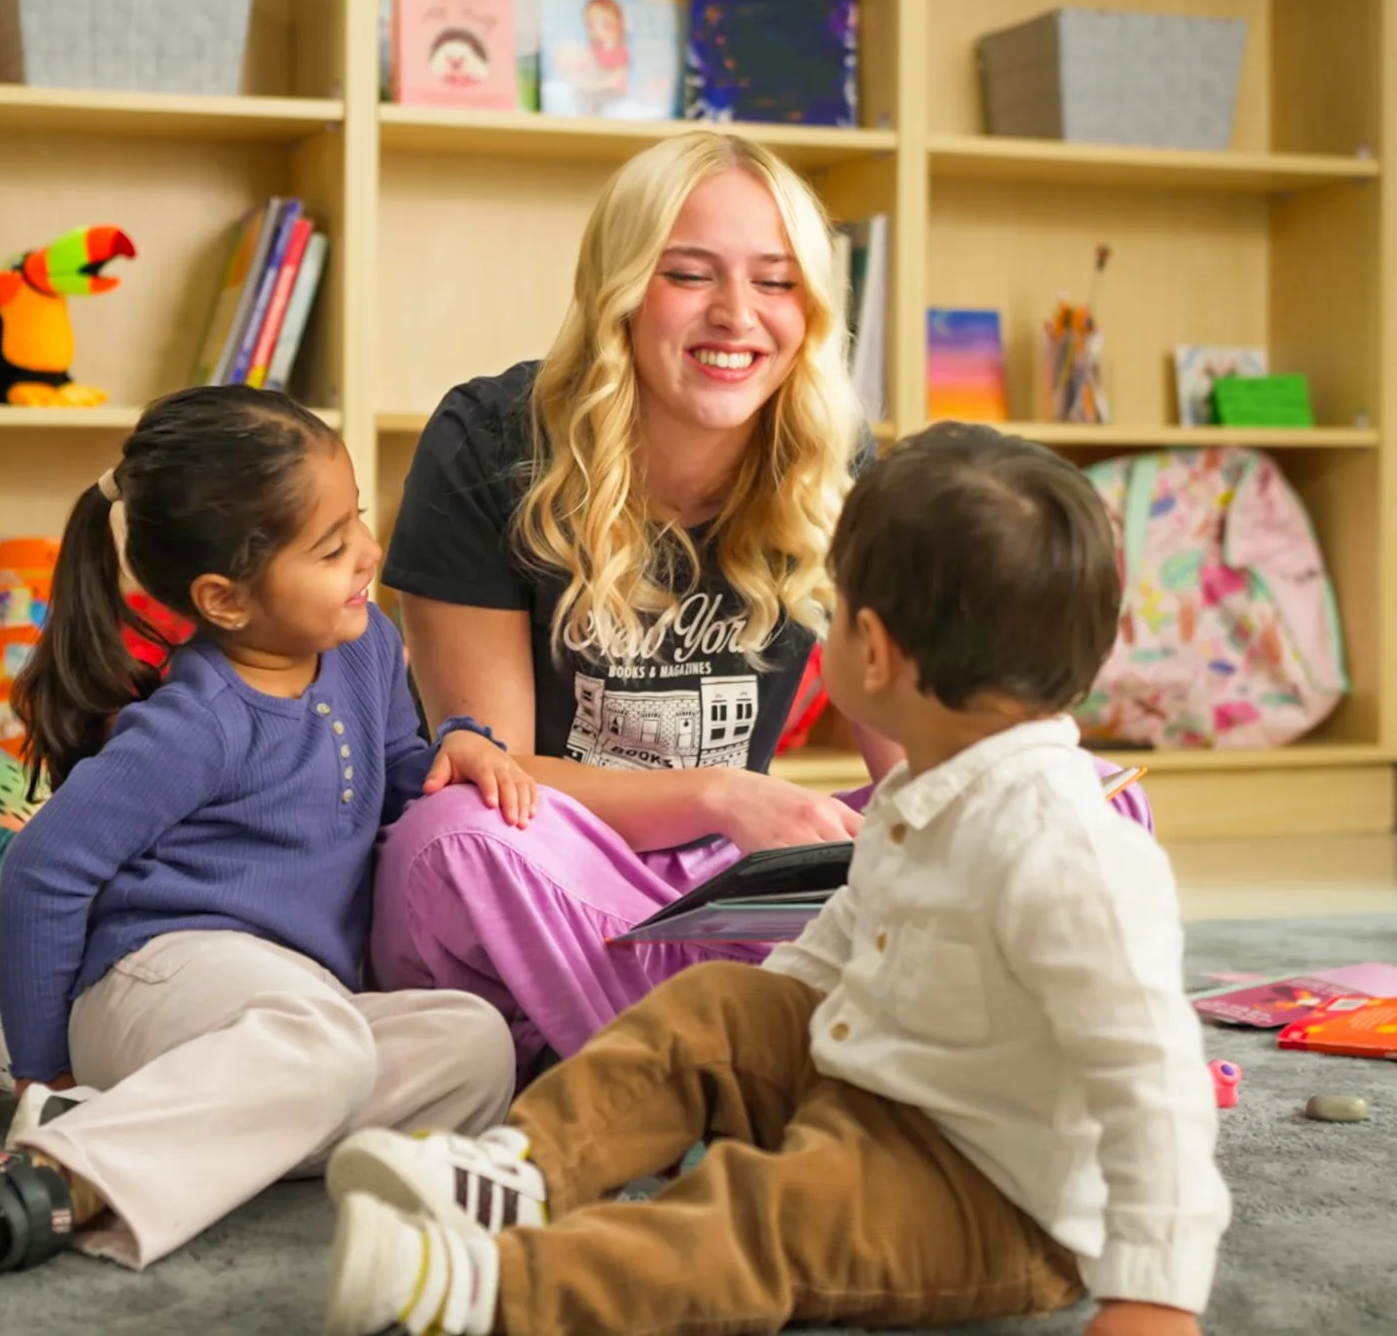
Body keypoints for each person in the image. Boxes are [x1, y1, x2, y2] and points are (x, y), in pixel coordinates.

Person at [317, 425, 1231, 1336]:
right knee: (714, 1009)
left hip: (986, 1195)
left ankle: (485, 1289)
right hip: (873, 1072)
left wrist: (1153, 1297)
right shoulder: (932, 785)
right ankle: (522, 1172)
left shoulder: (1068, 847)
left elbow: (1155, 1079)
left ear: (872, 649)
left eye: (834, 603)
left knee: (763, 1219)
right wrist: (754, 1041)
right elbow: (846, 932)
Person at [373, 129, 1155, 1072]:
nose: (737, 316)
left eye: (777, 283)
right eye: (689, 275)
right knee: (451, 842)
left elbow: (919, 762)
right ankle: (776, 1058)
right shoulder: (489, 442)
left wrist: (1001, 814)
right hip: (552, 871)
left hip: (733, 887)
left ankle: (673, 1051)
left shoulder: (830, 454)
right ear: (622, 287)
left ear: (811, 306)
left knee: (1074, 800)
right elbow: (496, 774)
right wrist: (723, 793)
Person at [0, 386, 539, 1304]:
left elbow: (396, 769)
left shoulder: (365, 647)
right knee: (322, 1044)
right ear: (224, 600)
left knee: (474, 1045)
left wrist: (456, 745)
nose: (368, 551)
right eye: (331, 548)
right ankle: (35, 1178)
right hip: (155, 981)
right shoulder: (195, 724)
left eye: (357, 518)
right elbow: (43, 869)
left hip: (288, 1005)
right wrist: (41, 1071)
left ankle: (173, 1139)